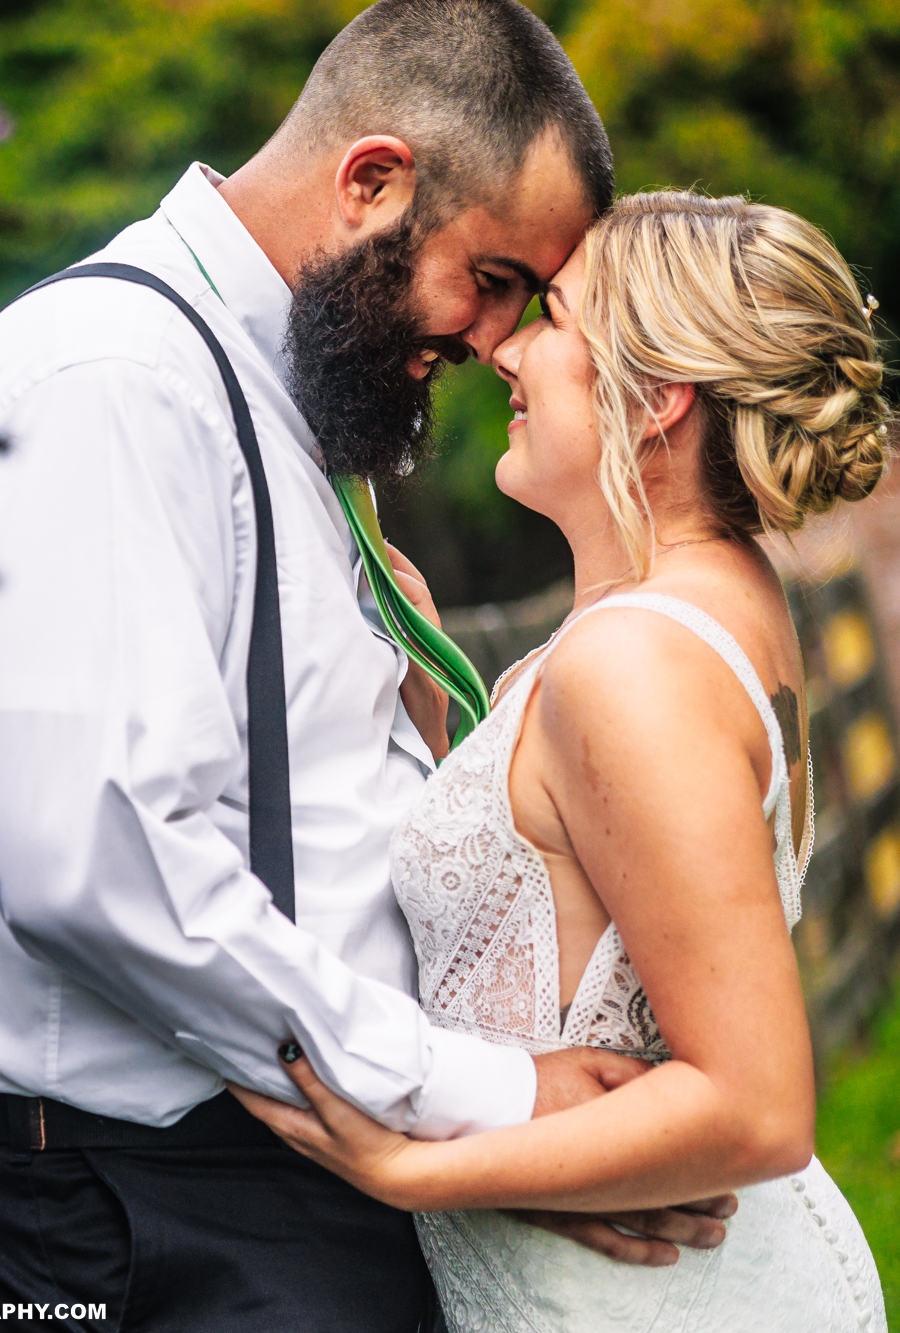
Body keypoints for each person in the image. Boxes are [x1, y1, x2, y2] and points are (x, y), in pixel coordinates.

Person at [0, 2, 730, 1328]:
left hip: (252, 1141)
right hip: (120, 1189)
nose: (496, 344)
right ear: (373, 181)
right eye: (492, 280)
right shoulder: (110, 387)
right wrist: (486, 1105)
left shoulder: (267, 389)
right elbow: (101, 867)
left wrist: (500, 1128)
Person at [231, 190, 889, 1330]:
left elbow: (756, 1104)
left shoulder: (632, 664)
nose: (502, 347)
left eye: (553, 318)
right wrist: (440, 731)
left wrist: (405, 1172)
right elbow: (569, 907)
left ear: (656, 400)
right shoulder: (704, 602)